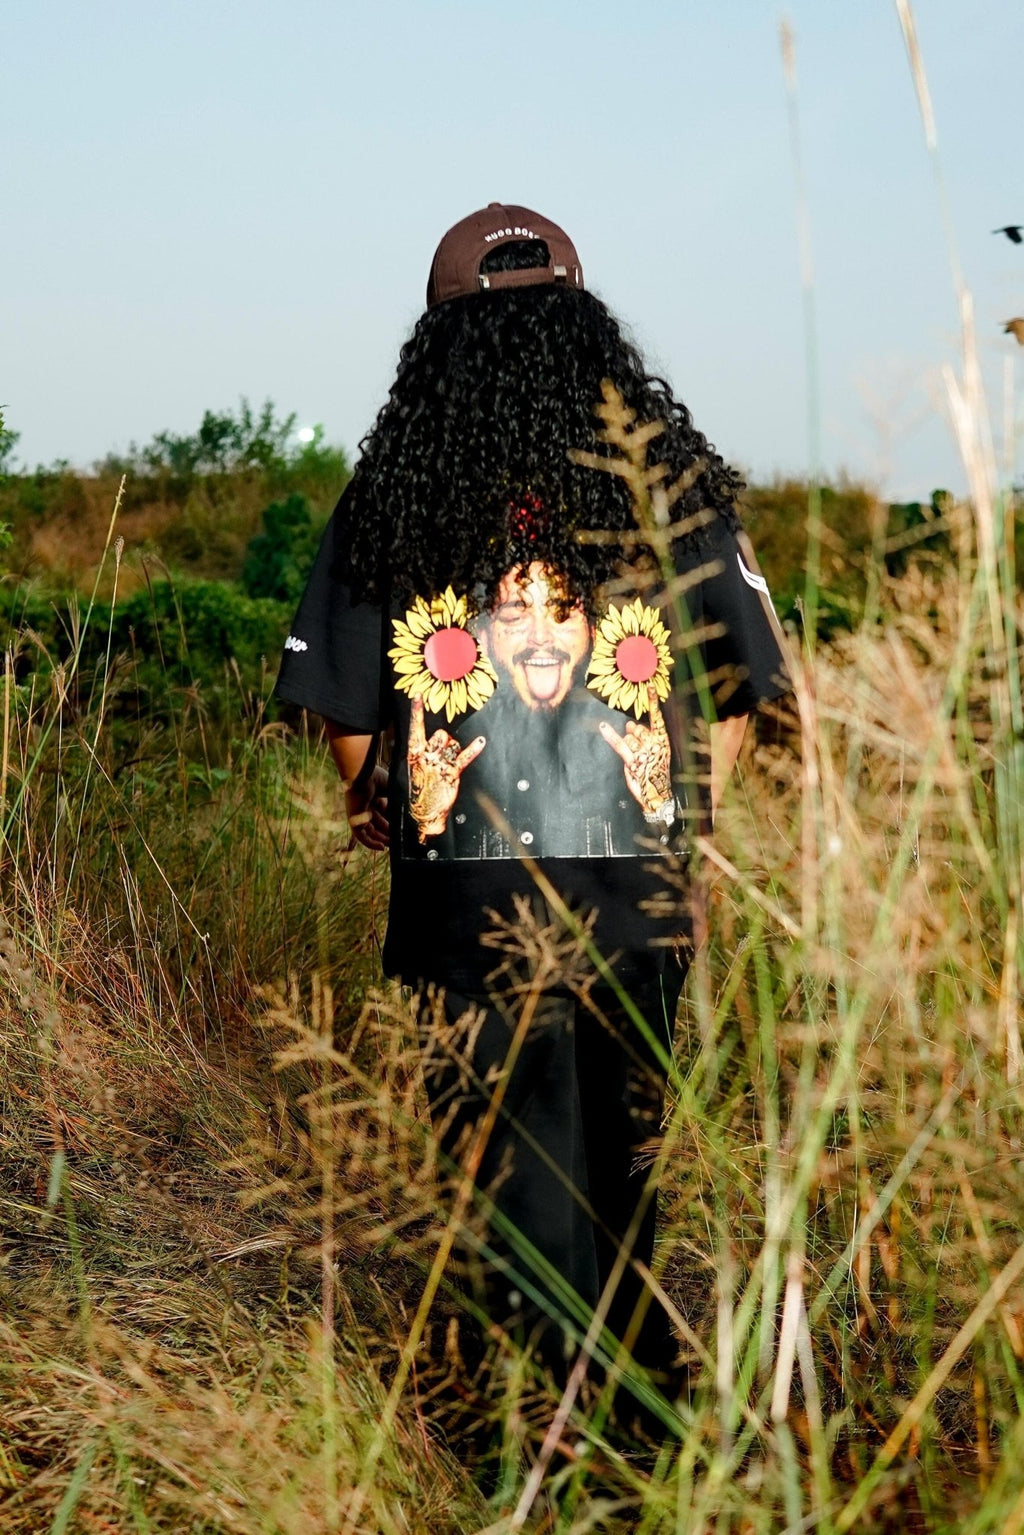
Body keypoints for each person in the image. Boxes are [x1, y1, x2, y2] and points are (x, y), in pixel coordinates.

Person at [276, 203, 789, 1419]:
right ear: (586, 332)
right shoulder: (664, 484)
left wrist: (383, 803)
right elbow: (742, 685)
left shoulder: (393, 489)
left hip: (464, 911)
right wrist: (688, 834)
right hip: (635, 910)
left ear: (438, 343)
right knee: (623, 1195)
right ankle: (630, 1444)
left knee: (491, 1194)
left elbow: (344, 704)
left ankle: (520, 1442)